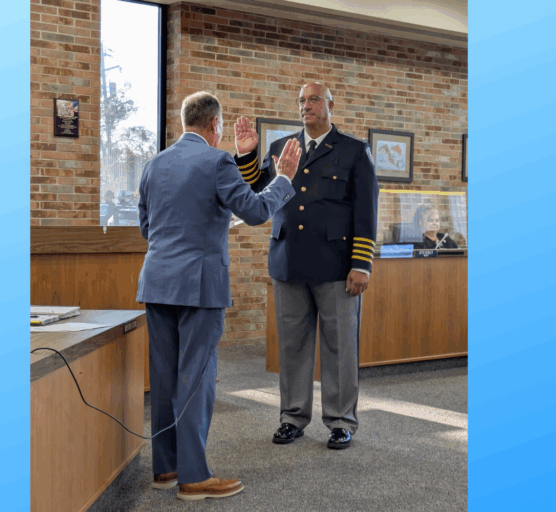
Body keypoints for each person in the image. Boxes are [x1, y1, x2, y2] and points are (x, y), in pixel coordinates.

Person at [137, 91, 302, 500]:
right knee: (196, 378)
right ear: (215, 126)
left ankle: (167, 468)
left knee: (164, 377)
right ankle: (194, 478)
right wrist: (283, 179)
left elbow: (147, 227)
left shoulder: (153, 164)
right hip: (199, 285)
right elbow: (256, 211)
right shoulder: (217, 160)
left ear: (184, 121)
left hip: (157, 282)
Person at [234, 82, 379, 450]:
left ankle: (341, 421)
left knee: (340, 348)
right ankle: (292, 417)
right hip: (289, 260)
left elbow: (366, 211)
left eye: (314, 99)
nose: (306, 106)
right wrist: (247, 155)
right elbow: (257, 192)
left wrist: (361, 263)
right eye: (302, 100)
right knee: (293, 347)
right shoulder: (283, 148)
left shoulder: (353, 151)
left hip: (336, 265)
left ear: (331, 104)